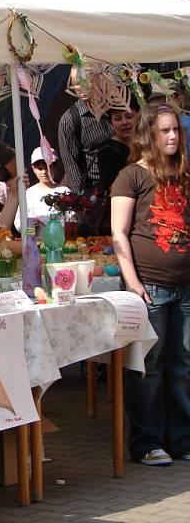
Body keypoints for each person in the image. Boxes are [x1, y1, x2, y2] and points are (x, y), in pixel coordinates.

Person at [111, 100, 190, 467]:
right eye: (165, 130)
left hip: (186, 285)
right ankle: (146, 442)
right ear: (148, 135)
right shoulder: (132, 176)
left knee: (182, 364)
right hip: (151, 286)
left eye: (177, 129)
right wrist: (133, 282)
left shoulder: (186, 174)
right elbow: (119, 233)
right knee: (148, 367)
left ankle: (182, 440)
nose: (173, 136)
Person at [58, 98, 113, 193]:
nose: (81, 87)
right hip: (97, 187)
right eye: (75, 84)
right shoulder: (70, 119)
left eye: (85, 82)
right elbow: (71, 167)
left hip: (127, 176)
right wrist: (81, 200)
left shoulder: (115, 104)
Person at [13, 148, 69, 230]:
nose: (44, 172)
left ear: (56, 166)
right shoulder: (29, 193)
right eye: (40, 168)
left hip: (59, 240)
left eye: (48, 167)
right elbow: (19, 222)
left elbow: (71, 219)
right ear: (33, 169)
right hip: (35, 241)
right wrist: (32, 228)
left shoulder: (64, 191)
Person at [98, 102, 138, 191]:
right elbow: (113, 187)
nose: (124, 122)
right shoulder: (107, 150)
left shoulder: (148, 143)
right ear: (111, 122)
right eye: (118, 118)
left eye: (129, 116)